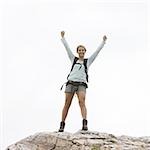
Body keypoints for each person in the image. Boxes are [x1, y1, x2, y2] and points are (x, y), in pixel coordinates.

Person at [58, 31, 107, 132]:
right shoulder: (73, 59)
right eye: (79, 50)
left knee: (82, 101)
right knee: (67, 103)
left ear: (85, 51)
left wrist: (103, 42)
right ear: (77, 51)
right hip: (71, 83)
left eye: (83, 50)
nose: (81, 51)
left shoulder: (87, 61)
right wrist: (63, 38)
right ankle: (62, 124)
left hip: (81, 84)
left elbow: (97, 52)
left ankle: (85, 123)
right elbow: (67, 49)